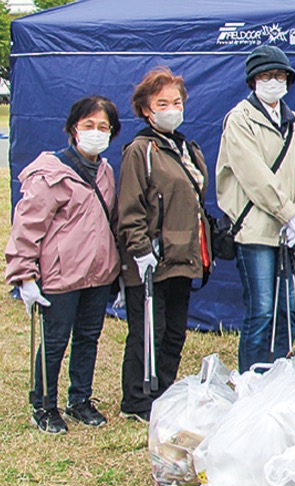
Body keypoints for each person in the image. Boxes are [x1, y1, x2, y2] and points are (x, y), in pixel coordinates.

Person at [5, 96, 121, 433]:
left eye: (103, 127)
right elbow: (27, 227)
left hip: (98, 274)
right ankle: (43, 405)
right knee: (55, 342)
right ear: (74, 129)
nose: (96, 132)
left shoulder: (106, 172)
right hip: (60, 276)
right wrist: (25, 276)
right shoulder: (51, 174)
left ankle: (79, 400)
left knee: (88, 338)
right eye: (89, 125)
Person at [117, 68, 211, 423]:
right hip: (151, 257)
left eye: (176, 102)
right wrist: (141, 250)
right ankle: (137, 399)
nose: (171, 109)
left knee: (173, 331)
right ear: (146, 109)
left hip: (183, 255)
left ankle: (164, 393)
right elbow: (130, 208)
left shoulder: (186, 148)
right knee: (148, 331)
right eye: (162, 104)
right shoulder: (140, 151)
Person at [215, 45, 295, 372]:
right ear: (253, 81)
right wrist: (288, 213)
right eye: (267, 76)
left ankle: (278, 376)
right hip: (255, 228)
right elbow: (253, 174)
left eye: (280, 76)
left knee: (287, 310)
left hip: (287, 231)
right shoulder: (240, 120)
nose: (274, 82)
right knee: (262, 310)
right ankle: (251, 378)